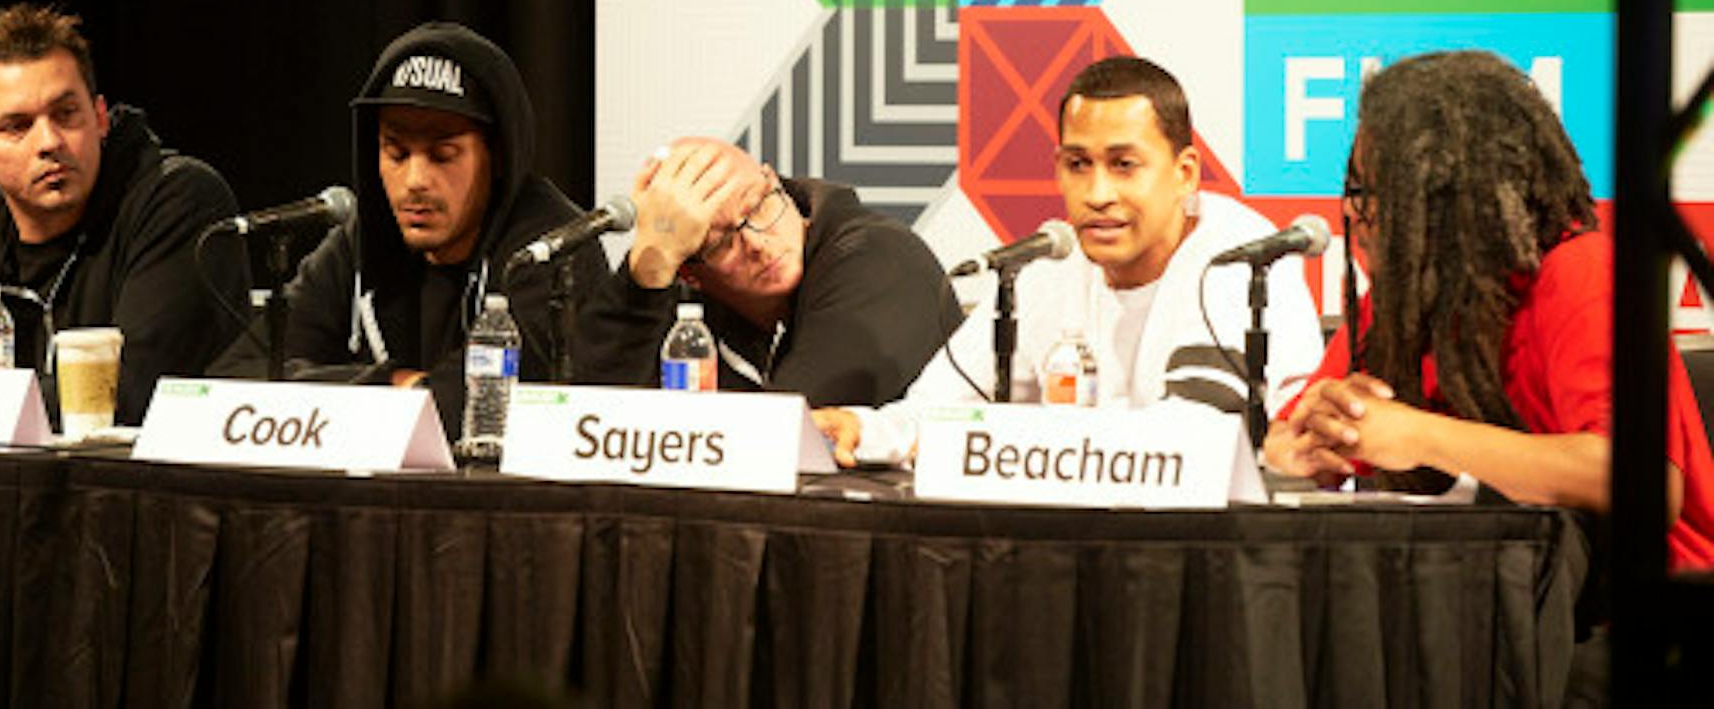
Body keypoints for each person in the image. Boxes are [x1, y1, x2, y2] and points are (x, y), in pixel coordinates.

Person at [1264, 50, 1714, 569]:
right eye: (1350, 188)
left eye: (1369, 190)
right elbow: (1289, 435)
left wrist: (1416, 435)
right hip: (1487, 603)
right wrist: (1306, 444)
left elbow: (1641, 482)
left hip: (1638, 622)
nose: (1350, 209)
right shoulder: (1405, 299)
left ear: (1445, 195)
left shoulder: (1580, 272)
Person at [819, 55, 1324, 465]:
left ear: (1185, 173)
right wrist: (865, 431)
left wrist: (1032, 441)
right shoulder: (1048, 263)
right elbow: (939, 411)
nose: (1097, 193)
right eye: (1078, 165)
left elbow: (1191, 439)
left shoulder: (1240, 258)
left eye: (1124, 165)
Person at [211, 21, 616, 443]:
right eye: (396, 152)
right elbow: (239, 375)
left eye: (443, 155)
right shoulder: (362, 239)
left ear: (497, 156)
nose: (414, 180)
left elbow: (479, 409)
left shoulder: (552, 248)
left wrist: (345, 390)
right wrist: (393, 383)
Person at [0, 4, 242, 425]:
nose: (49, 141)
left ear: (100, 118)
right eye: (17, 126)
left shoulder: (178, 200)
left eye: (66, 115)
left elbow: (127, 393)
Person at [578, 136, 963, 407]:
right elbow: (592, 425)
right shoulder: (690, 311)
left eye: (759, 206)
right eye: (723, 242)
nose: (758, 244)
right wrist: (648, 273)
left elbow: (787, 439)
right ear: (689, 275)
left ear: (774, 181)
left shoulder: (878, 258)